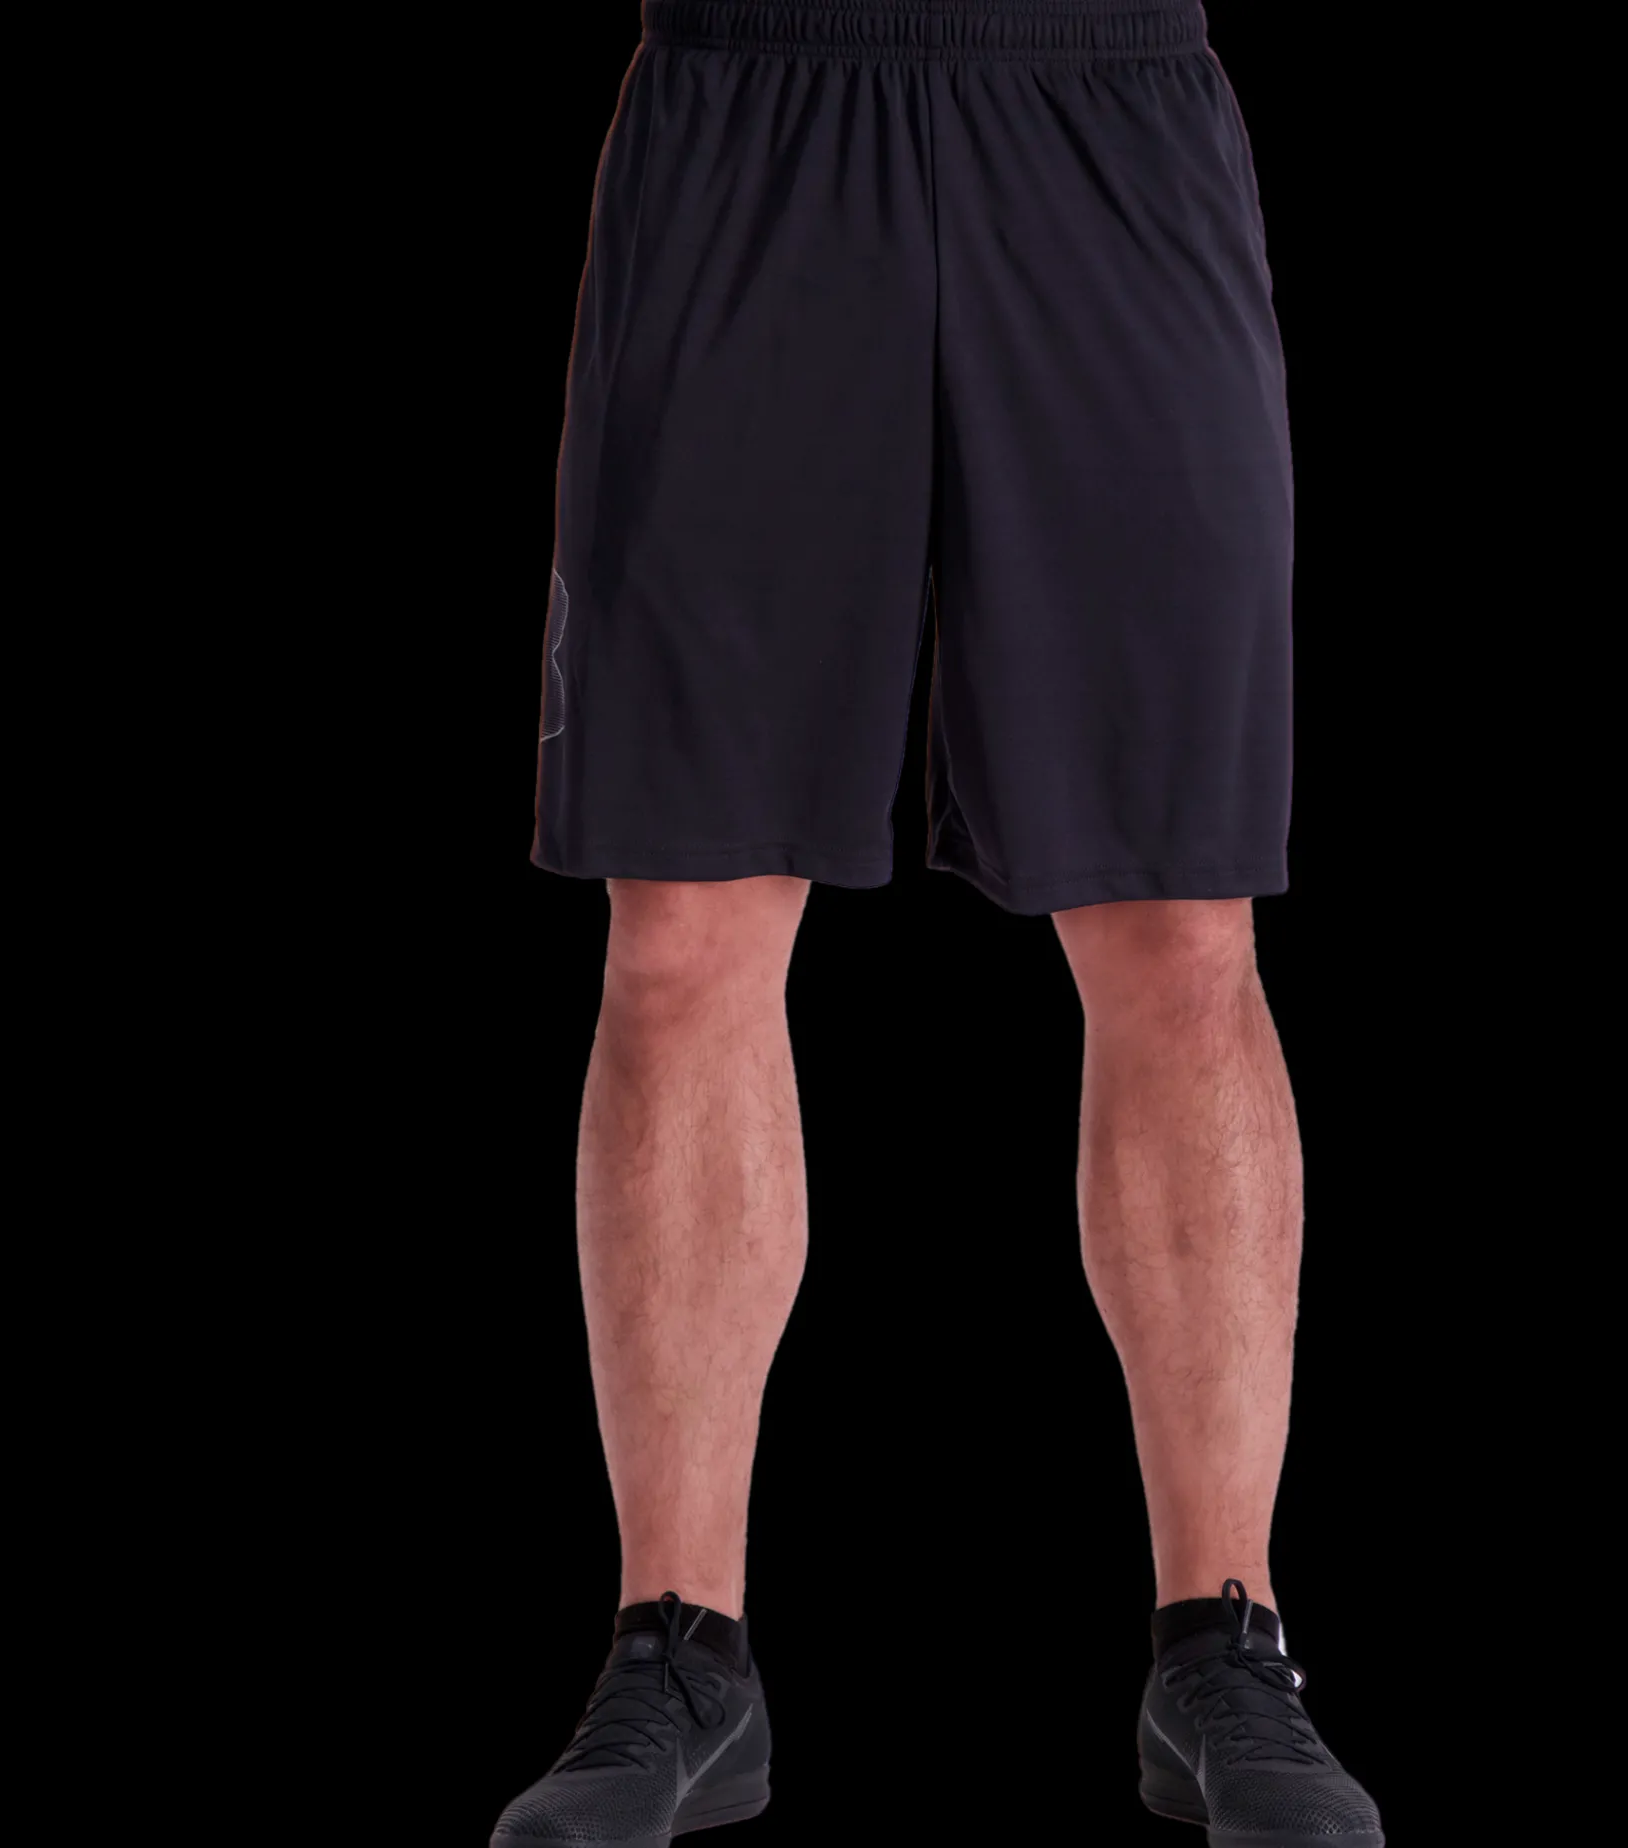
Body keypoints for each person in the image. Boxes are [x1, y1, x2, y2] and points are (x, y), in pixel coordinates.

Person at [497, 4, 1384, 1844]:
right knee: (682, 920)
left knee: (1179, 921)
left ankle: (1227, 1643)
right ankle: (679, 1654)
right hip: (747, 101)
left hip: (1109, 99)